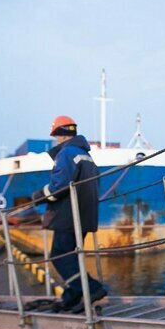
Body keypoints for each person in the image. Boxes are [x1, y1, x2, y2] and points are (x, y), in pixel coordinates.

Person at [32, 115, 107, 312]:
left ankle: (92, 288)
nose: (56, 140)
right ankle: (71, 297)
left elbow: (59, 186)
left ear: (62, 136)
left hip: (68, 216)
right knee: (72, 257)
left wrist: (39, 195)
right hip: (85, 216)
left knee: (59, 255)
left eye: (56, 136)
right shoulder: (87, 156)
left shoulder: (65, 154)